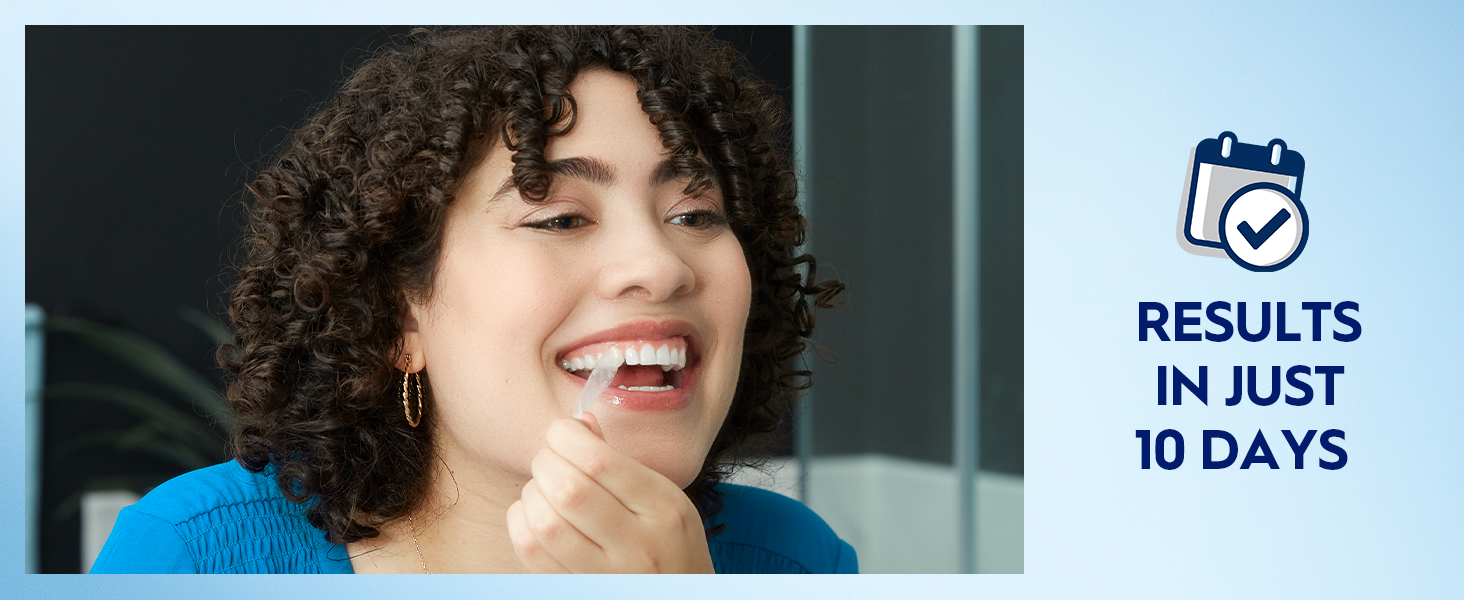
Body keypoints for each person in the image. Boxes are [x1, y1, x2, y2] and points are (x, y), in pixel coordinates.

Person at [90, 26, 851, 574]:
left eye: (695, 214)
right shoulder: (191, 558)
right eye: (558, 217)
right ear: (395, 318)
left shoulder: (794, 562)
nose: (660, 266)